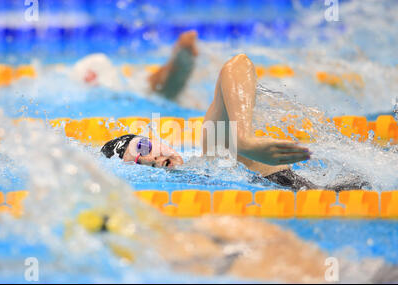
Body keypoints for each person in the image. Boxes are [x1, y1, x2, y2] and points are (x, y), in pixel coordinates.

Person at [101, 54, 369, 191]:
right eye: (140, 165)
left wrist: (242, 140)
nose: (151, 159)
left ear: (156, 139)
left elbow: (237, 65)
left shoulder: (214, 156)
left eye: (145, 148)